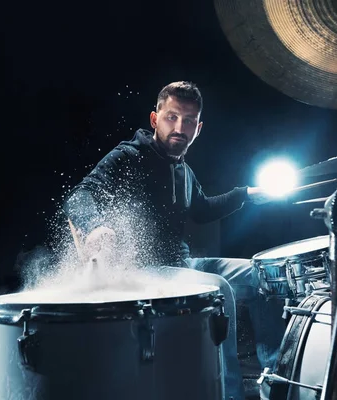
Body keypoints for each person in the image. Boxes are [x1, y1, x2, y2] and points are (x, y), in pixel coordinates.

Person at [63, 81, 286, 400]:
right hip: (143, 271)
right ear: (155, 119)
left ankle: (275, 383)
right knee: (218, 289)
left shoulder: (185, 171)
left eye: (190, 120)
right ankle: (228, 393)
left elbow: (203, 209)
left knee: (263, 273)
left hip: (182, 265)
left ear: (199, 127)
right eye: (172, 117)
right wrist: (94, 225)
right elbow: (82, 194)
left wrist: (246, 195)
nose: (180, 127)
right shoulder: (130, 155)